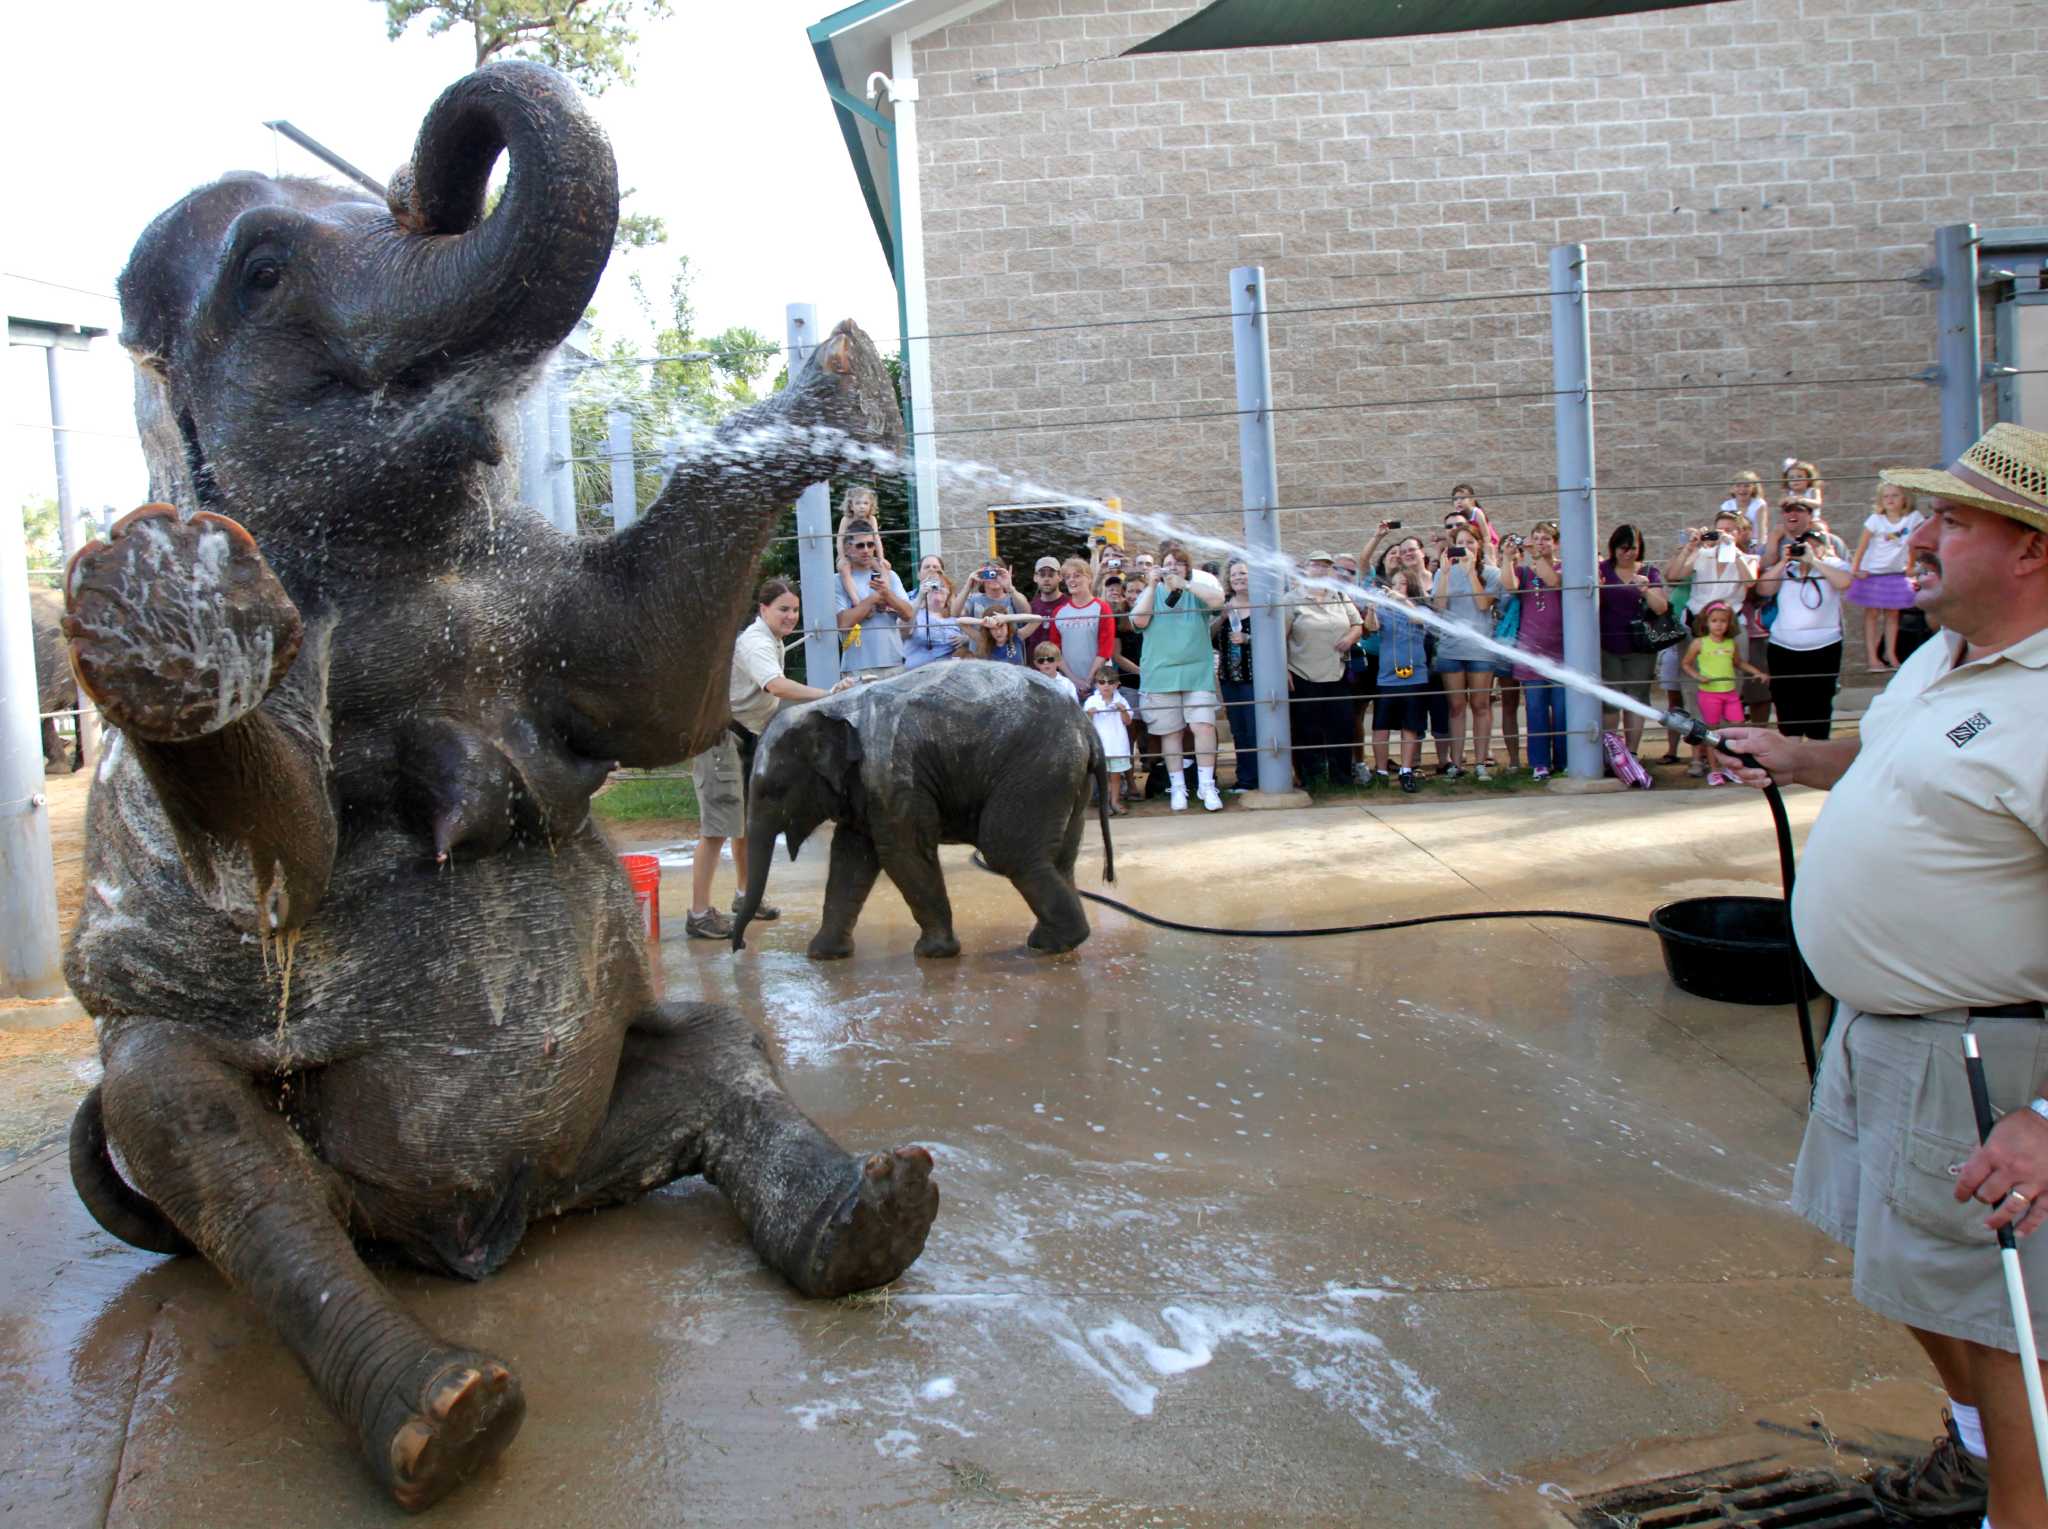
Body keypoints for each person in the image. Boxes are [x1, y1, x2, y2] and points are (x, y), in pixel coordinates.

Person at [1720, 421, 2048, 1529]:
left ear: (2030, 549)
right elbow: (1890, 752)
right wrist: (1801, 759)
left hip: (1981, 1055)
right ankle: (1969, 1453)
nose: (1914, 537)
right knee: (1904, 1266)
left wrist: (2044, 1115)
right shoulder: (1940, 651)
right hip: (1885, 1032)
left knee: (2008, 1331)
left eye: (1949, 520)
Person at [684, 578, 856, 939]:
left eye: (794, 610)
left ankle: (747, 896)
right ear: (763, 610)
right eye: (783, 609)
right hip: (720, 738)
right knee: (717, 828)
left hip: (746, 737)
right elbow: (775, 686)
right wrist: (826, 696)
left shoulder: (771, 639)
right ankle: (698, 914)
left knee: (747, 821)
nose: (791, 616)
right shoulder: (755, 642)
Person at [1131, 540, 1226, 811]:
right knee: (1170, 732)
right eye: (1168, 564)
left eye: (1179, 563)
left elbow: (1218, 601)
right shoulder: (1151, 593)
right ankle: (1179, 788)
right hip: (1161, 674)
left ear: (1187, 567)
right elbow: (1139, 620)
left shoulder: (1196, 591)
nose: (1172, 568)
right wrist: (1151, 585)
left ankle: (1207, 786)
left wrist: (1184, 584)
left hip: (1196, 672)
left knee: (1203, 726)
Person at [1667, 510, 1761, 774]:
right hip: (1698, 626)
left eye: (1730, 530)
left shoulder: (1747, 557)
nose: (1722, 535)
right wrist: (1693, 547)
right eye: (1719, 529)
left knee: (1729, 692)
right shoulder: (1703, 555)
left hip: (1730, 628)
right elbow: (1674, 576)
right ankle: (1698, 757)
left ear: (1741, 533)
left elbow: (1750, 581)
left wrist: (1734, 550)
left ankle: (1727, 757)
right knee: (1693, 692)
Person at [1755, 499, 1853, 740]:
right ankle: (1792, 757)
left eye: (1815, 544)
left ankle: (1817, 756)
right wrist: (1784, 562)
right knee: (1787, 707)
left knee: (1819, 706)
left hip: (1824, 647)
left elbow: (1846, 582)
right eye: (1805, 545)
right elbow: (1763, 590)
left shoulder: (1832, 564)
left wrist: (1816, 561)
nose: (1808, 549)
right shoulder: (1788, 569)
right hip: (1784, 647)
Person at [1283, 551, 1364, 794]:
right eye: (1315, 565)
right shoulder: (1291, 599)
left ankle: (1342, 778)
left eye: (1325, 566)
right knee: (1307, 729)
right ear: (1305, 568)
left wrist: (1349, 638)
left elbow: (1358, 625)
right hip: (1303, 673)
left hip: (1337, 673)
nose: (1320, 570)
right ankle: (1313, 778)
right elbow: (1281, 637)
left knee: (1342, 726)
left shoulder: (1340, 596)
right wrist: (1284, 669)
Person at [1428, 523, 1503, 779]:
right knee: (1456, 706)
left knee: (1481, 704)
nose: (1466, 547)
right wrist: (1446, 573)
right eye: (1461, 543)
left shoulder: (1491, 573)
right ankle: (1457, 763)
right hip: (1451, 648)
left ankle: (1481, 761)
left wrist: (1471, 571)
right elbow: (1438, 607)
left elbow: (1483, 604)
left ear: (1479, 545)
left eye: (1471, 542)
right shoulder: (1442, 573)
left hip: (1480, 648)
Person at [1596, 522, 1670, 761]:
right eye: (1623, 547)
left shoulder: (1649, 572)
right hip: (1608, 646)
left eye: (1633, 548)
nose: (1627, 553)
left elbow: (1661, 608)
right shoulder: (1602, 569)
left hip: (1641, 648)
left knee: (1636, 698)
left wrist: (1646, 590)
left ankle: (1632, 753)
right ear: (1614, 547)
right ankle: (1610, 753)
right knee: (1610, 700)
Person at [1677, 602, 1764, 784]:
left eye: (1723, 621)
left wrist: (1756, 672)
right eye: (1714, 620)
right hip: (1709, 694)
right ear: (1706, 622)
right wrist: (1698, 676)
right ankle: (1714, 769)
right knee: (1712, 731)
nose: (1719, 625)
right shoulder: (1699, 643)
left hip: (1730, 693)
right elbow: (1685, 663)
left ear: (1729, 623)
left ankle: (1731, 766)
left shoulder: (1731, 643)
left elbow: (1738, 663)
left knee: (1737, 726)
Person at [1507, 521, 1566, 782]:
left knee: (1563, 710)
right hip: (1531, 652)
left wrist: (1537, 557)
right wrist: (1507, 559)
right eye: (1536, 538)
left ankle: (1565, 761)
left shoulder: (1564, 565)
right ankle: (1539, 762)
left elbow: (1553, 581)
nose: (1540, 543)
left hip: (1561, 653)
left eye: (1546, 539)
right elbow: (1509, 586)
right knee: (1536, 709)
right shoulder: (1525, 570)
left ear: (1556, 543)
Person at [1367, 537, 1425, 793]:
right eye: (1394, 584)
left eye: (1403, 584)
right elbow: (1371, 629)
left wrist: (1400, 599)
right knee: (1380, 726)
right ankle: (1380, 770)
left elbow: (1418, 619)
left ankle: (1406, 770)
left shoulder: (1420, 607)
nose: (1398, 587)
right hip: (1387, 677)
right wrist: (1371, 609)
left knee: (1409, 726)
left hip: (1414, 676)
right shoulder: (1384, 609)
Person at [1851, 483, 1925, 671]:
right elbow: (1862, 546)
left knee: (1893, 614)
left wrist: (1911, 566)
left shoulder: (1913, 519)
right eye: (1886, 496)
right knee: (1873, 614)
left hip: (1896, 572)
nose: (1890, 499)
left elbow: (1915, 543)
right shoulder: (1875, 520)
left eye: (1895, 495)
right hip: (1874, 572)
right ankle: (1872, 657)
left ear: (1905, 499)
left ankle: (1891, 654)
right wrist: (1856, 568)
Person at [834, 516, 915, 679]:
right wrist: (873, 599)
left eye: (870, 544)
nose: (866, 550)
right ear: (848, 548)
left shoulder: (890, 576)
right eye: (860, 545)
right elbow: (843, 623)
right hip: (856, 667)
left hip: (894, 663)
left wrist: (886, 594)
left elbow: (909, 614)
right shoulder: (837, 580)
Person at [1211, 559, 1259, 791]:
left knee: (1256, 728)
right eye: (1234, 575)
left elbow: (1277, 639)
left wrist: (1248, 639)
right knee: (1239, 730)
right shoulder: (1224, 605)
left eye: (1243, 573)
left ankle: (1265, 777)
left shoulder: (1261, 605)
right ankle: (1246, 780)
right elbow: (1207, 637)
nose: (1238, 578)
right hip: (1229, 679)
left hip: (1255, 679)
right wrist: (1221, 617)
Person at [1048, 557, 1117, 692]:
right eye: (1067, 577)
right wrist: (1074, 680)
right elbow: (1055, 651)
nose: (1071, 580)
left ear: (1090, 578)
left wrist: (1089, 679)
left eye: (1077, 575)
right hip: (1069, 683)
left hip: (1101, 683)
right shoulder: (1058, 612)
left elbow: (1105, 650)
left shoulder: (1102, 608)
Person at [1083, 661, 1135, 815]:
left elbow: (1128, 721)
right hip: (1100, 747)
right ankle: (1104, 804)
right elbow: (1085, 725)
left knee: (1116, 776)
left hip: (1117, 745)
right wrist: (1090, 715)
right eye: (1101, 682)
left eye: (1110, 682)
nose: (1106, 685)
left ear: (1117, 684)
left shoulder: (1122, 701)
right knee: (1102, 777)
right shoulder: (1091, 701)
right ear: (1096, 684)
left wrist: (1123, 710)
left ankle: (1115, 802)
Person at [903, 573, 966, 669]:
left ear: (949, 592)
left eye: (943, 586)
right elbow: (904, 631)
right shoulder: (916, 610)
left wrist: (965, 639)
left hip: (949, 672)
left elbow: (975, 635)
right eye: (934, 585)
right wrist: (920, 596)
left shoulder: (955, 615)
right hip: (918, 672)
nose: (938, 588)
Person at [1029, 555, 1068, 623]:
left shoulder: (1069, 605)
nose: (1046, 579)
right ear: (1035, 577)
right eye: (1042, 575)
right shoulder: (1030, 608)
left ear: (1060, 577)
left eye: (1051, 575)